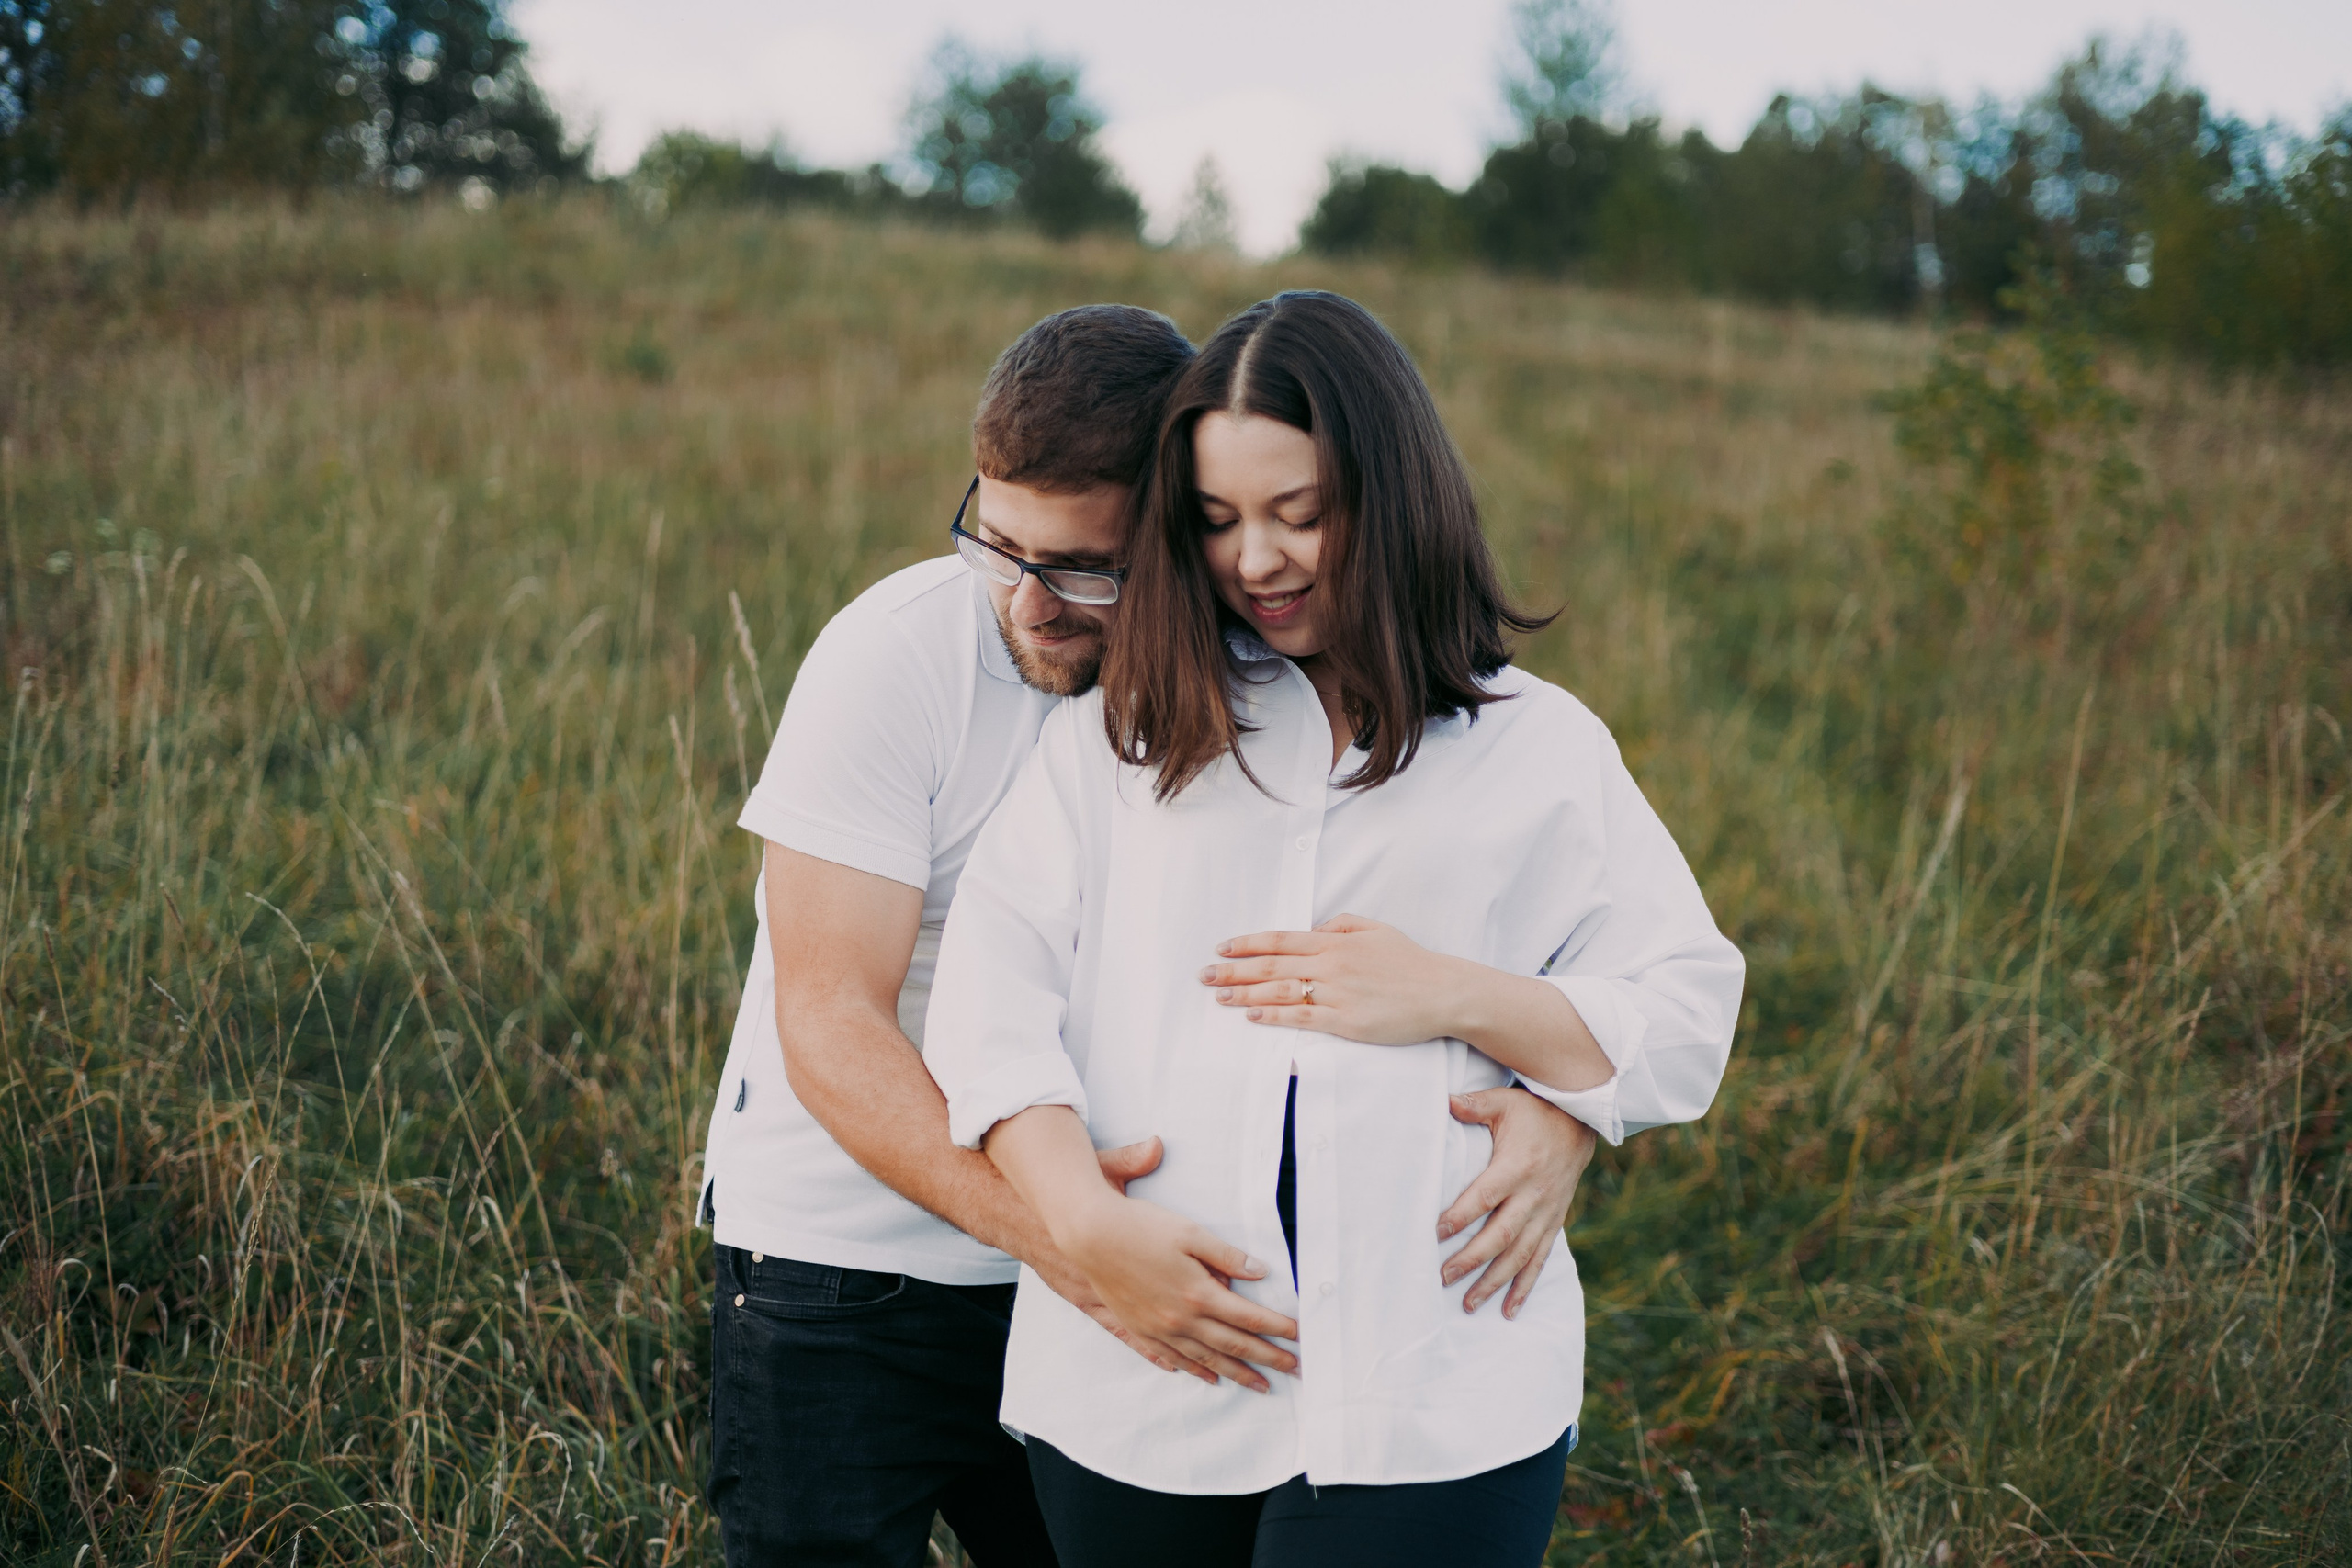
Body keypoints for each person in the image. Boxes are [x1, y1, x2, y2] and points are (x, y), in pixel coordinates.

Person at [699, 303, 1604, 1567]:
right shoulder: (896, 657)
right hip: (856, 1275)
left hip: (1133, 1302)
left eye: (1086, 568)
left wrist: (1569, 1108)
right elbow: (828, 1019)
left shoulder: (1266, 677)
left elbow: (1500, 925)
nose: (1029, 602)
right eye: (996, 541)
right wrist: (1070, 1239)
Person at [922, 290, 1744, 1568]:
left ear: (1394, 491)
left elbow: (1685, 1004)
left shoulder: (1539, 748)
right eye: (1217, 523)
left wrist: (1467, 1003)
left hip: (1439, 1395)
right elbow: (989, 997)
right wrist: (1075, 1222)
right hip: (1143, 1383)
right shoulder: (1119, 744)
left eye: (1300, 514)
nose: (1258, 560)